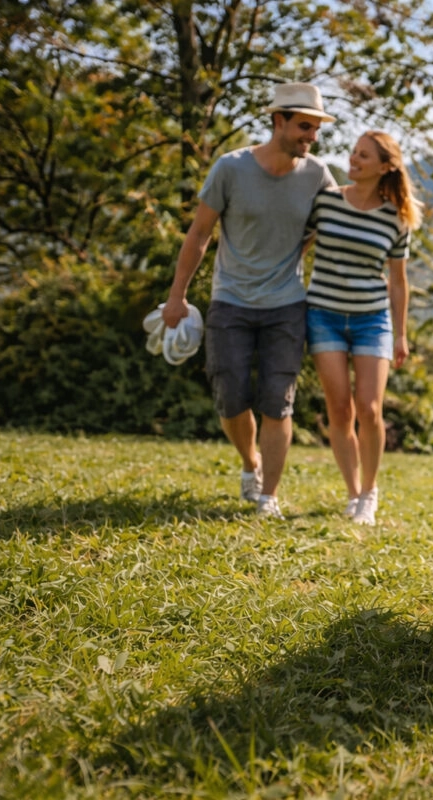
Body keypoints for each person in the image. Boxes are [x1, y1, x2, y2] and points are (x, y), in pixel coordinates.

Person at [161, 83, 337, 519]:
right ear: (277, 121)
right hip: (231, 301)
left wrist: (301, 246)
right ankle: (249, 463)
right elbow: (200, 233)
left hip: (287, 305)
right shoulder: (231, 168)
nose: (310, 137)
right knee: (231, 398)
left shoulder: (317, 174)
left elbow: (338, 217)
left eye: (315, 129)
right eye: (303, 126)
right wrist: (176, 296)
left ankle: (268, 497)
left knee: (278, 402)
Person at [304, 131, 422, 525]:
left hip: (373, 321)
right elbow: (297, 247)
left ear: (385, 166)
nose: (354, 159)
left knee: (369, 409)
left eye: (364, 155)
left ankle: (370, 492)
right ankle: (352, 492)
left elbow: (399, 281)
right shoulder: (326, 201)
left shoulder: (397, 218)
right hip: (324, 315)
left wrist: (401, 334)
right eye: (353, 152)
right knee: (340, 410)